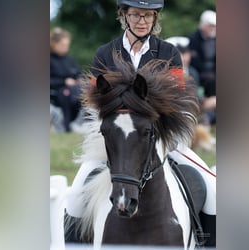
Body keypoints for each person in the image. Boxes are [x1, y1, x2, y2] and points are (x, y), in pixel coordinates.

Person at [65, 1, 216, 246]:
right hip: (115, 141)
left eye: (148, 15)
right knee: (74, 197)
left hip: (162, 139)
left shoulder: (168, 53)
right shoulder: (105, 53)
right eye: (136, 14)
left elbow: (179, 100)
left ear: (155, 18)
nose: (142, 21)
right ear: (124, 15)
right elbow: (95, 101)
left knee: (214, 188)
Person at [50, 27, 82, 132]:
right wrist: (64, 82)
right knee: (66, 93)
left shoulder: (69, 59)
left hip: (74, 89)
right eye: (62, 45)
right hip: (57, 91)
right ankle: (67, 126)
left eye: (67, 45)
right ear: (54, 44)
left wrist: (79, 79)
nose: (65, 48)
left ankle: (80, 123)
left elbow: (77, 73)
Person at [188, 10, 216, 125]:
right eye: (210, 26)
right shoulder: (193, 39)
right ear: (203, 25)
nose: (213, 28)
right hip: (199, 74)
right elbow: (193, 60)